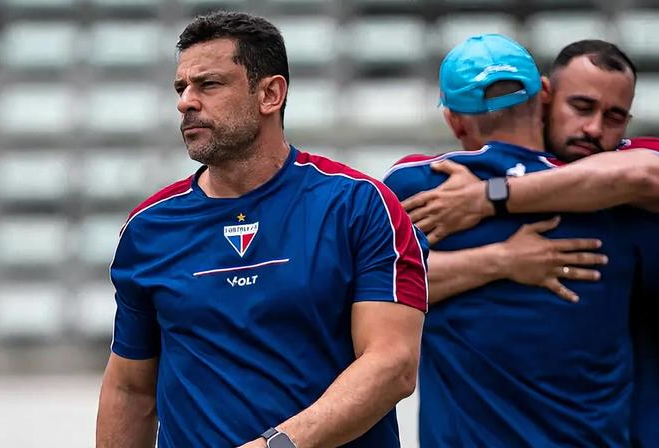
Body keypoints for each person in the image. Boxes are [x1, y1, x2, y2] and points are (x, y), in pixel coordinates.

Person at [95, 11, 428, 448]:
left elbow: (392, 364)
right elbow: (131, 389)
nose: (186, 102)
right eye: (181, 88)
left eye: (208, 85)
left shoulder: (360, 207)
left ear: (270, 94)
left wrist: (275, 445)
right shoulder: (148, 228)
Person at [383, 34, 653, 446]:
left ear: (454, 121)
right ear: (544, 95)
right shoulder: (615, 197)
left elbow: (366, 289)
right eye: (582, 107)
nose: (594, 128)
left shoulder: (424, 183)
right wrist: (503, 259)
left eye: (614, 116)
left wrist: (488, 198)